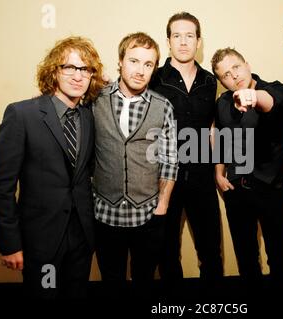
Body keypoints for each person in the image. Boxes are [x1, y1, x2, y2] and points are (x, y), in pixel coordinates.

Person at [0, 36, 104, 299]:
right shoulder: (22, 115)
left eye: (85, 69)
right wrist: (10, 244)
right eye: (70, 67)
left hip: (82, 239)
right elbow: (2, 187)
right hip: (41, 241)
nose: (78, 76)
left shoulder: (88, 116)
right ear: (54, 70)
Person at [92, 32, 178, 299]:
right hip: (105, 212)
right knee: (112, 280)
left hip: (148, 214)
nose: (140, 71)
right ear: (120, 61)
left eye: (148, 64)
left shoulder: (163, 106)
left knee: (144, 280)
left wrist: (162, 204)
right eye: (133, 61)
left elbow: (170, 158)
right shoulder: (95, 98)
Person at [150, 12, 223, 294]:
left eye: (189, 36)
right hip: (164, 179)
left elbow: (213, 128)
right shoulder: (154, 78)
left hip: (202, 177)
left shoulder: (209, 81)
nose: (183, 42)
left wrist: (218, 170)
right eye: (176, 36)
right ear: (168, 41)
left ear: (198, 41)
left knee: (210, 250)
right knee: (166, 252)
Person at [211, 48, 283, 297]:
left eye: (236, 67)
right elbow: (221, 140)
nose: (233, 76)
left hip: (272, 189)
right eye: (225, 74)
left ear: (247, 64)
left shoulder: (275, 89)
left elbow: (271, 102)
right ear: (221, 81)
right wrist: (218, 173)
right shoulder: (223, 103)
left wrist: (253, 96)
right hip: (237, 191)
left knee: (280, 260)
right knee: (246, 260)